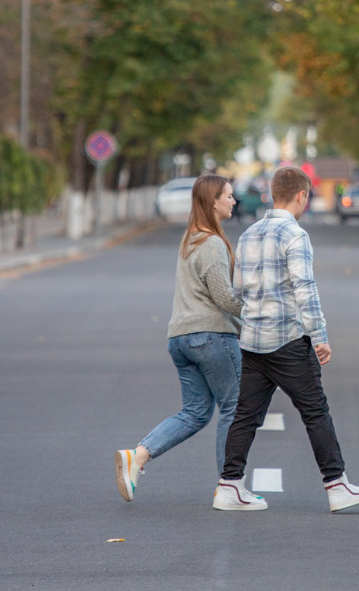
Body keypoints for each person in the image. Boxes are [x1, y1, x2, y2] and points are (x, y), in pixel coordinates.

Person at [214, 166, 359, 513]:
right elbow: (305, 288)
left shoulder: (248, 235)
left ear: (274, 193)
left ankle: (228, 486)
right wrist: (319, 335)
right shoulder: (295, 235)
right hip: (288, 340)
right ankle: (337, 486)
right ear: (302, 195)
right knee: (315, 411)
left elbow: (239, 291)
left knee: (245, 415)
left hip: (253, 341)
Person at [114, 175, 244, 503]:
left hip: (180, 339)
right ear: (213, 201)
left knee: (196, 412)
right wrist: (260, 308)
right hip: (211, 336)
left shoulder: (191, 239)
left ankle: (138, 456)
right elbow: (226, 300)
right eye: (228, 195)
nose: (234, 201)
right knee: (234, 407)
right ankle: (229, 486)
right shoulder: (213, 244)